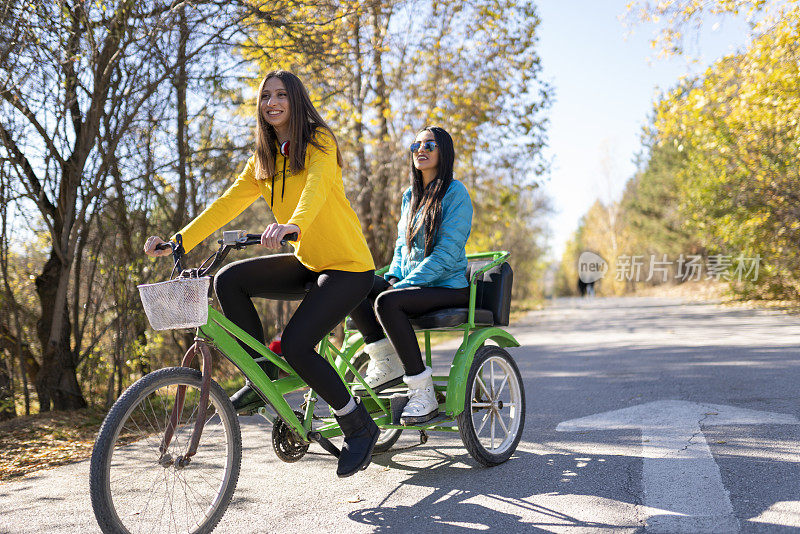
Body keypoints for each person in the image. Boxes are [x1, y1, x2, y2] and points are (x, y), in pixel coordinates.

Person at [143, 70, 378, 478]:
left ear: (296, 100)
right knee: (228, 280)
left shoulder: (319, 141)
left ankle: (357, 423)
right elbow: (224, 204)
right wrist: (179, 240)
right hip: (308, 263)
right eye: (265, 96)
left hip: (348, 267)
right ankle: (261, 375)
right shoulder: (263, 159)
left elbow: (316, 188)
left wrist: (294, 224)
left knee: (298, 343)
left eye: (281, 95)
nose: (272, 102)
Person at [349, 126, 473, 425]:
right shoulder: (410, 196)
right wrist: (392, 277)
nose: (421, 149)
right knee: (352, 282)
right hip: (414, 285)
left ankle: (423, 392)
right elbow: (401, 247)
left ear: (443, 150)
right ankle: (387, 361)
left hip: (448, 286)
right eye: (416, 145)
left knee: (388, 303)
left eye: (429, 144)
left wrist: (402, 287)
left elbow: (445, 255)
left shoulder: (455, 193)